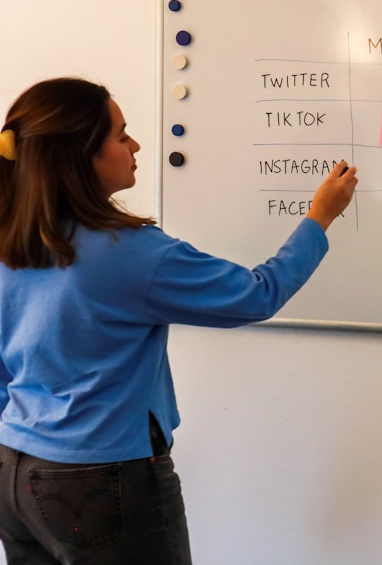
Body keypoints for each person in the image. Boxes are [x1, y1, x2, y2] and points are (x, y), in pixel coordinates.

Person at [0, 77, 357, 564]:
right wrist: (319, 217)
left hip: (14, 470)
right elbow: (258, 295)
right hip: (101, 478)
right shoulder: (128, 252)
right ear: (81, 156)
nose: (135, 146)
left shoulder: (11, 242)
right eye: (121, 135)